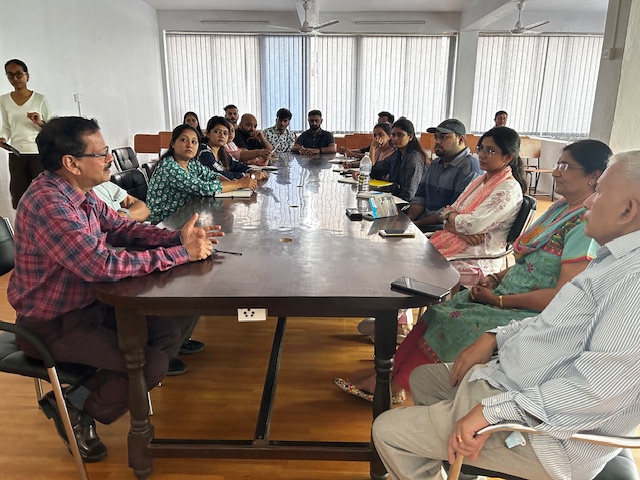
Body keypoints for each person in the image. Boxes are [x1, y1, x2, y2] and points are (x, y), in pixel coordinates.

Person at [372, 149, 640, 480]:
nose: (588, 202)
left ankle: (451, 448)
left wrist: (492, 412)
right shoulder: (612, 258)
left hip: (546, 436)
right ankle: (460, 463)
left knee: (387, 432)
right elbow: (555, 324)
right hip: (515, 379)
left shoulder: (633, 282)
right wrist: (495, 337)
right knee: (423, 379)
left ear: (627, 210)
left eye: (599, 193)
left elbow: (596, 390)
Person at [8, 116, 223, 462]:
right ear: (71, 163)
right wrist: (181, 255)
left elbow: (122, 228)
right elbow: (101, 265)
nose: (110, 159)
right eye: (102, 153)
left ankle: (76, 397)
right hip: (51, 323)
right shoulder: (49, 204)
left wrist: (175, 238)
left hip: (90, 305)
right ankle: (77, 410)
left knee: (167, 333)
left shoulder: (79, 193)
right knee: (150, 364)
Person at [336, 139, 611, 406]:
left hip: (525, 308)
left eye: (566, 166)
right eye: (558, 164)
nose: (556, 172)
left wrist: (499, 300)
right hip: (505, 287)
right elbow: (526, 260)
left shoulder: (584, 225)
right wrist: (496, 278)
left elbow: (562, 296)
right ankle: (387, 375)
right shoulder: (559, 208)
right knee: (437, 312)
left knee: (451, 321)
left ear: (594, 176)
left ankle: (396, 385)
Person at [146, 124, 257, 224]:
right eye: (184, 140)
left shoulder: (191, 164)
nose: (189, 145)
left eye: (194, 142)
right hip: (164, 224)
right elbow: (203, 188)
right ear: (173, 143)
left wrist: (232, 184)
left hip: (184, 218)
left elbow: (212, 175)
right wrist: (238, 184)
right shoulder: (169, 166)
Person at [406, 119, 481, 232]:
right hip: (422, 224)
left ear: (460, 140)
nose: (437, 141)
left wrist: (419, 224)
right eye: (436, 137)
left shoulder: (469, 167)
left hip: (444, 229)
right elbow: (420, 196)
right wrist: (408, 220)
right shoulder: (435, 163)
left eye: (443, 137)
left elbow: (454, 208)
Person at [1, 59, 51, 209]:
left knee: (42, 195)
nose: (15, 78)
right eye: (10, 75)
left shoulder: (40, 99)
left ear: (27, 76)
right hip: (16, 153)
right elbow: (7, 126)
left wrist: (39, 122)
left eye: (19, 74)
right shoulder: (3, 100)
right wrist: (3, 137)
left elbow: (51, 128)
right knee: (19, 195)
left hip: (37, 153)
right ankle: (23, 223)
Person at [367, 119, 428, 202]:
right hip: (396, 198)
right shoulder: (397, 154)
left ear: (410, 137)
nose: (395, 138)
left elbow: (409, 193)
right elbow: (377, 170)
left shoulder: (414, 158)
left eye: (400, 135)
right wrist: (363, 173)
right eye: (393, 135)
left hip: (411, 204)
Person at [199, 116, 268, 180]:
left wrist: (252, 171)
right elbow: (218, 175)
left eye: (225, 133)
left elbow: (236, 165)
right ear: (207, 133)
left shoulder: (221, 151)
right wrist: (250, 176)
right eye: (217, 132)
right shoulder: (203, 151)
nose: (221, 135)